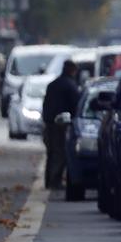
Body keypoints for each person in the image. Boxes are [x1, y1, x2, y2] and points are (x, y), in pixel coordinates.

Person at [41, 60, 81, 190]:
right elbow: (76, 105)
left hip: (49, 123)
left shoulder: (52, 85)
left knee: (51, 152)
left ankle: (49, 180)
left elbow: (46, 104)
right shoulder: (70, 86)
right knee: (60, 153)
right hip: (61, 125)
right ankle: (54, 180)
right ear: (72, 71)